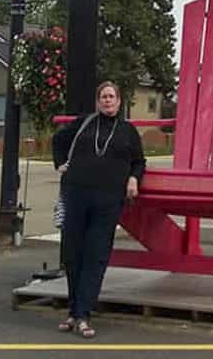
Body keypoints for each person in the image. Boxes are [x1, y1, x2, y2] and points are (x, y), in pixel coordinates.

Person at [52, 80, 145, 338]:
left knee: (96, 256)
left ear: (119, 101)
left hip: (108, 201)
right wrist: (60, 163)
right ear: (97, 101)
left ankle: (84, 315)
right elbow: (58, 139)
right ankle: (72, 311)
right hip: (77, 196)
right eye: (103, 96)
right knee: (73, 255)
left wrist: (134, 178)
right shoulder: (84, 123)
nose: (107, 101)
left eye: (111, 97)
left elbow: (139, 161)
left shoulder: (128, 131)